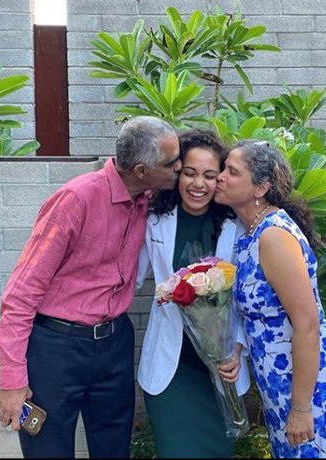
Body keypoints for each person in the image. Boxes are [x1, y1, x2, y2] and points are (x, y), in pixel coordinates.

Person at [0, 116, 182, 458]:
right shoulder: (75, 200)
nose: (180, 169)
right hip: (56, 349)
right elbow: (20, 295)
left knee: (114, 447)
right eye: (171, 163)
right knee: (48, 449)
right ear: (141, 170)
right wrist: (12, 379)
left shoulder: (148, 200)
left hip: (115, 344)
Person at [214, 140, 326, 458]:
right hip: (281, 380)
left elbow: (306, 323)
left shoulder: (273, 237)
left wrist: (302, 408)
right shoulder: (249, 231)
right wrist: (237, 348)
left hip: (307, 382)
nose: (220, 177)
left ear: (260, 187)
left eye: (232, 172)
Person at [135, 129, 251, 458]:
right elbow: (129, 275)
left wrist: (238, 347)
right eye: (189, 173)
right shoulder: (154, 220)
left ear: (221, 179)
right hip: (172, 369)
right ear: (177, 173)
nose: (198, 184)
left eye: (209, 175)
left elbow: (248, 299)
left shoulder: (237, 227)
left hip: (221, 367)